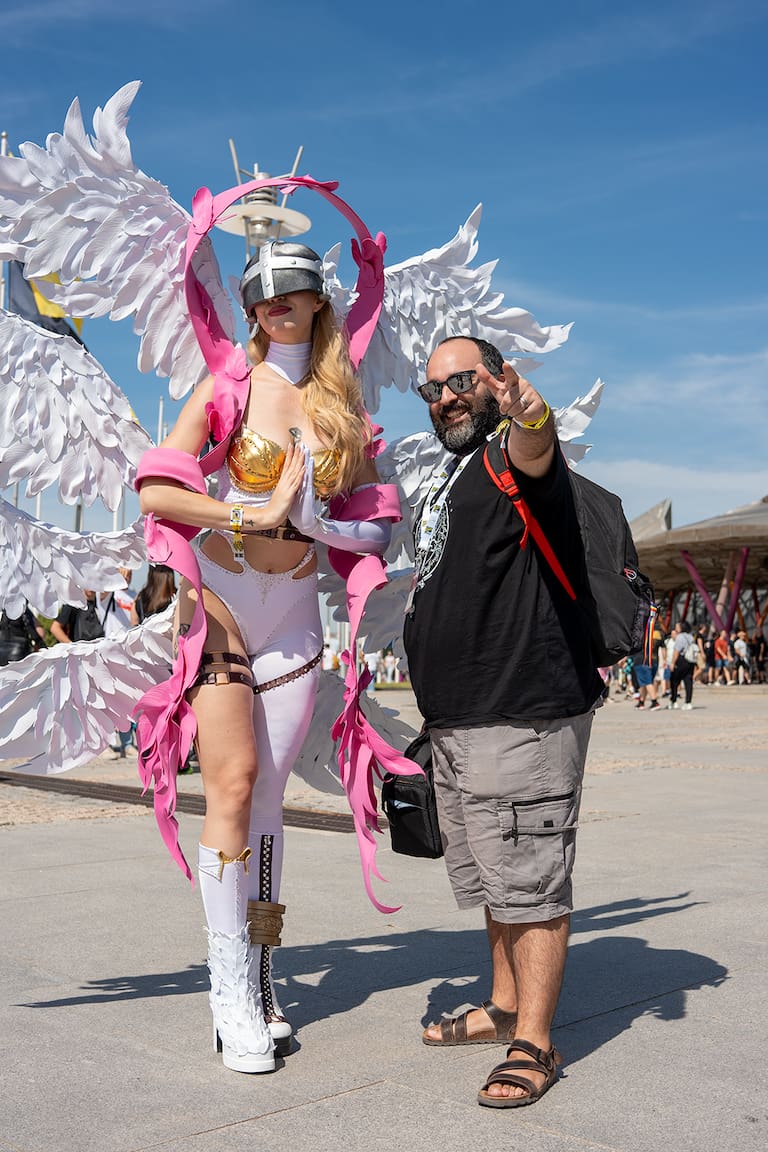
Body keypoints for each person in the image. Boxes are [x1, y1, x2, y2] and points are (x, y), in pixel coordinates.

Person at [136, 241, 396, 1074]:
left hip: (294, 615)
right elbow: (156, 488)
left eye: (290, 291)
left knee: (272, 802)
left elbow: (377, 527)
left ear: (320, 300)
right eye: (257, 296)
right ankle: (229, 997)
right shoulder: (227, 387)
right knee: (235, 785)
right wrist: (244, 517)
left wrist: (319, 525)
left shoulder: (343, 411)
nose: (272, 306)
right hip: (221, 599)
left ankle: (261, 974)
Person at [403, 335, 604, 1109]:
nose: (446, 397)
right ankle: (502, 1005)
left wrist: (531, 414)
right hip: (460, 719)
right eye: (431, 389)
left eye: (462, 381)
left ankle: (537, 1041)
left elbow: (536, 447)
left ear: (495, 381)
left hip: (522, 711)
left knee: (529, 878)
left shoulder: (510, 457)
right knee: (494, 873)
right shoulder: (453, 476)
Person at [667, 620, 696, 708]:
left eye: (677, 627)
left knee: (675, 680)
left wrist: (672, 663)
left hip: (681, 660)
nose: (675, 628)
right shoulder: (690, 636)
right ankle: (688, 702)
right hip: (690, 660)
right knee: (688, 681)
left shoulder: (680, 637)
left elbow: (676, 651)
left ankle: (674, 700)